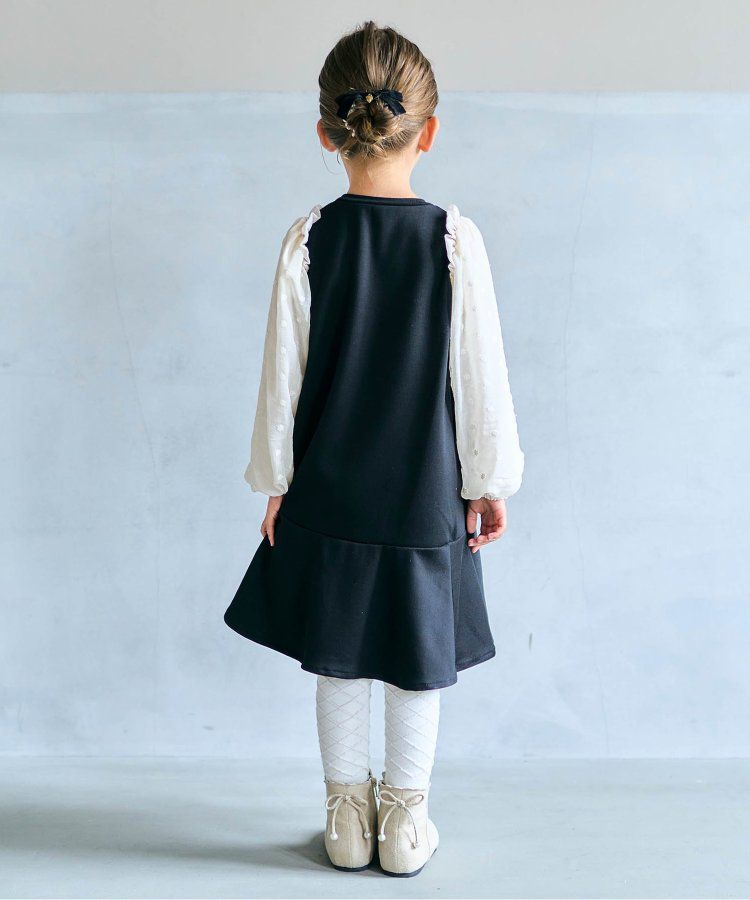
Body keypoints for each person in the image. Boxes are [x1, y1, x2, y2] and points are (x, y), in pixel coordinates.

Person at [224, 20, 524, 878]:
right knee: (416, 657)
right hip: (425, 493)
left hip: (329, 490)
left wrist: (276, 482)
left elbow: (282, 376)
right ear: (428, 132)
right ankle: (404, 821)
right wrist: (489, 481)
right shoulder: (454, 240)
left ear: (326, 132)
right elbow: (480, 375)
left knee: (341, 651)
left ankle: (345, 817)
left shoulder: (308, 237)